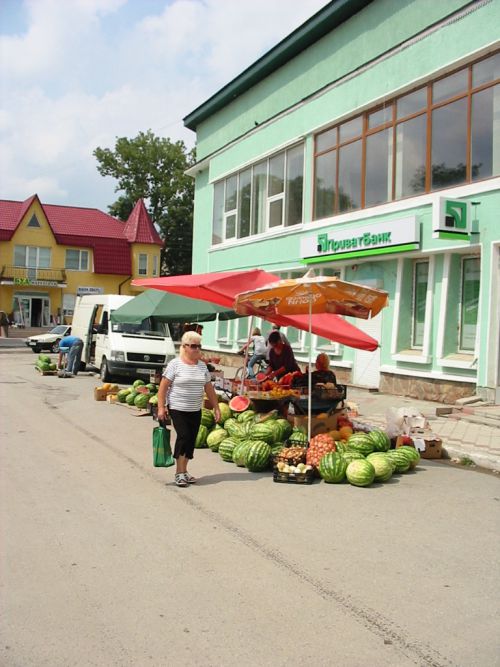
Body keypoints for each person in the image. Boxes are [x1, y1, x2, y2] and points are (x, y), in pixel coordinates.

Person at [157, 330, 221, 487]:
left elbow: (208, 388)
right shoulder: (175, 364)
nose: (197, 349)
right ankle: (179, 473)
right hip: (178, 408)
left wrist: (216, 407)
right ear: (184, 347)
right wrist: (161, 407)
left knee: (191, 441)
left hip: (195, 409)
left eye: (199, 346)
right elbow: (163, 388)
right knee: (184, 436)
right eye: (193, 346)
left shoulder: (202, 367)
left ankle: (185, 471)